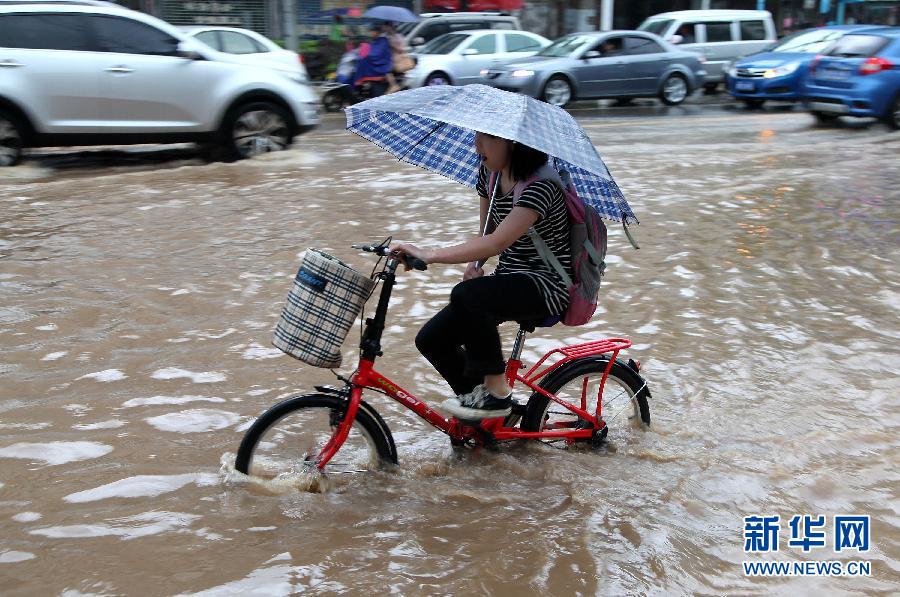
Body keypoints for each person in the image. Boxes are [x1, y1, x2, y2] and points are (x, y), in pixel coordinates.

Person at [392, 132, 572, 420]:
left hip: (546, 285)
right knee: (432, 339)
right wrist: (475, 265)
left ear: (512, 142)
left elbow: (497, 242)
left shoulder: (541, 186)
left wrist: (429, 253)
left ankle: (497, 392)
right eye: (476, 137)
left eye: (485, 139)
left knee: (468, 296)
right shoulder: (490, 174)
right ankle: (491, 417)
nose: (477, 147)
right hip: (510, 277)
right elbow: (485, 235)